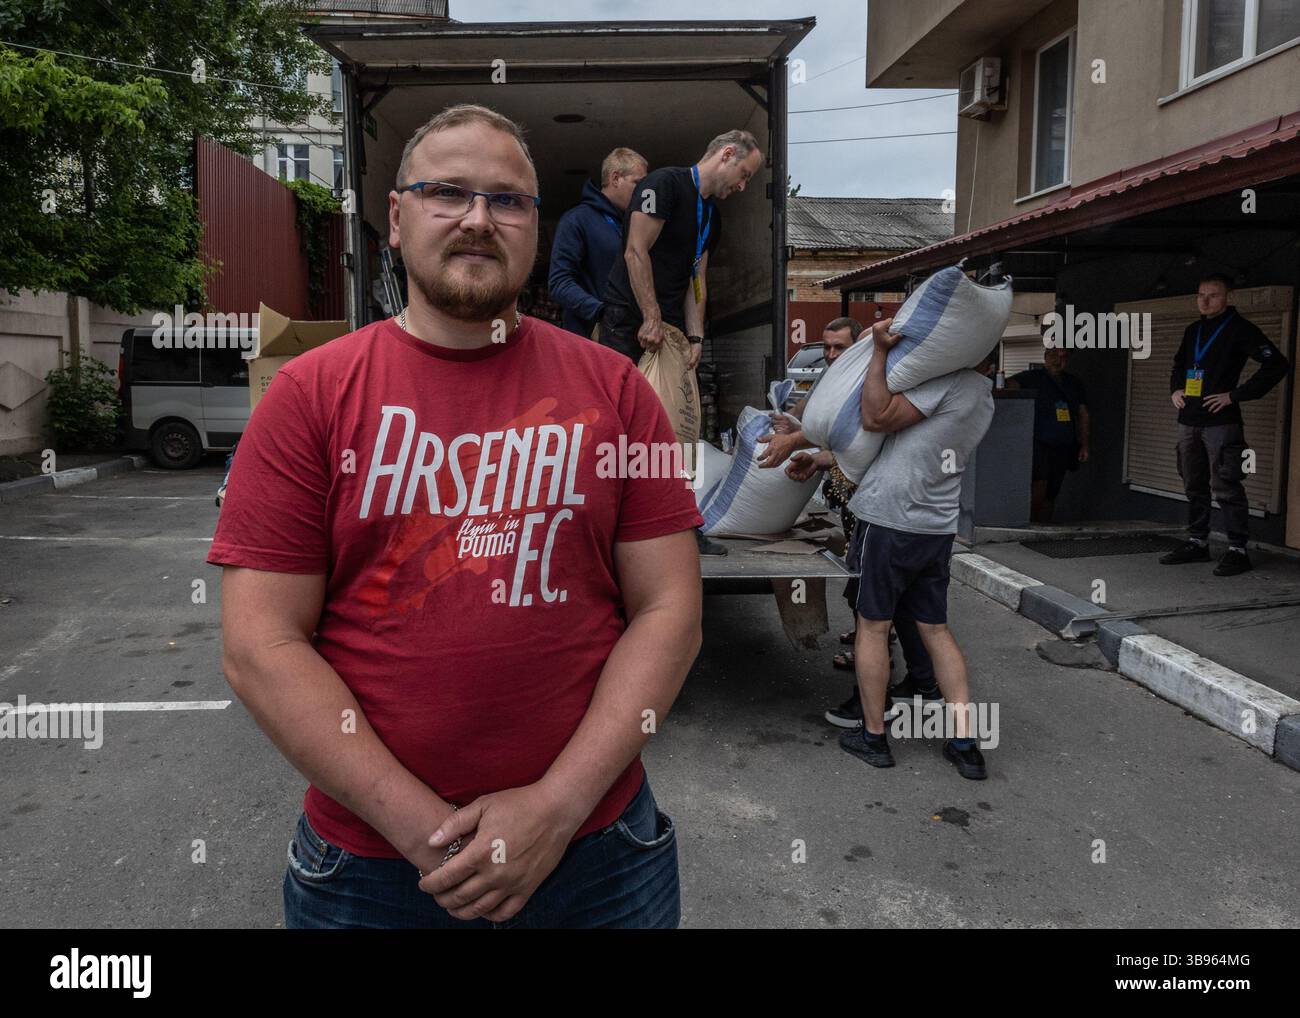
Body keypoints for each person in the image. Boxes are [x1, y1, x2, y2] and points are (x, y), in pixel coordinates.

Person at [209, 104, 704, 929]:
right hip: (370, 871)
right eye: (448, 192)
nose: (479, 218)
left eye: (507, 200)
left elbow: (670, 612)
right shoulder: (308, 397)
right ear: (396, 220)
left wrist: (552, 809)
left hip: (598, 854)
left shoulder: (618, 393)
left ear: (536, 230)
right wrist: (427, 834)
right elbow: (259, 646)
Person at [758, 319, 943, 727]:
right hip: (875, 509)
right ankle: (922, 684)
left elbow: (863, 435)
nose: (832, 355)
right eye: (828, 348)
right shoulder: (849, 382)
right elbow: (849, 443)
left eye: (842, 348)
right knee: (896, 605)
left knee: (874, 612)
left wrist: (797, 443)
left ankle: (872, 706)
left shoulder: (888, 391)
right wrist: (812, 451)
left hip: (886, 514)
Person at [835, 320, 997, 780]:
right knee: (935, 629)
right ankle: (966, 745)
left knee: (871, 626)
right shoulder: (983, 394)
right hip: (936, 525)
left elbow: (875, 417)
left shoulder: (947, 382)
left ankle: (873, 737)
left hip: (890, 520)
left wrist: (880, 353)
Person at [597, 129, 764, 557]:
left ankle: (681, 524)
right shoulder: (664, 186)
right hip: (627, 321)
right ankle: (607, 526)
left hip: (669, 332)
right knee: (619, 429)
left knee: (678, 429)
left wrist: (695, 336)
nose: (742, 186)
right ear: (726, 155)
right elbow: (637, 252)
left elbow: (697, 278)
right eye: (743, 174)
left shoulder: (713, 216)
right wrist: (650, 316)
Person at [1159, 273, 1288, 576]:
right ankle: (1197, 542)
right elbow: (1179, 365)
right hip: (1188, 419)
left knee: (1226, 485)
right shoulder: (1194, 330)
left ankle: (1237, 549)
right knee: (1193, 483)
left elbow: (1277, 364)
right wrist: (1175, 390)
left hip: (1221, 422)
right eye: (1201, 295)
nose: (1204, 301)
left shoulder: (1240, 329)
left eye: (1213, 295)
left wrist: (1235, 395)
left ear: (1228, 297)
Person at [547, 147, 647, 338]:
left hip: (630, 338)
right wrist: (601, 312)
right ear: (615, 178)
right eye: (637, 184)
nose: (642, 193)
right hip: (589, 339)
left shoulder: (634, 225)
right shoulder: (576, 220)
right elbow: (559, 283)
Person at [1003, 343, 1090, 522]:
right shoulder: (1032, 377)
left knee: (1052, 491)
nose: (1057, 361)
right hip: (1039, 442)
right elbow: (1006, 387)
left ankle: (1044, 526)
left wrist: (1084, 444)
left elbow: (1083, 414)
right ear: (1045, 357)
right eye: (1053, 355)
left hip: (1064, 443)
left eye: (1063, 357)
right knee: (1039, 483)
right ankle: (1030, 523)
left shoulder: (1073, 383)